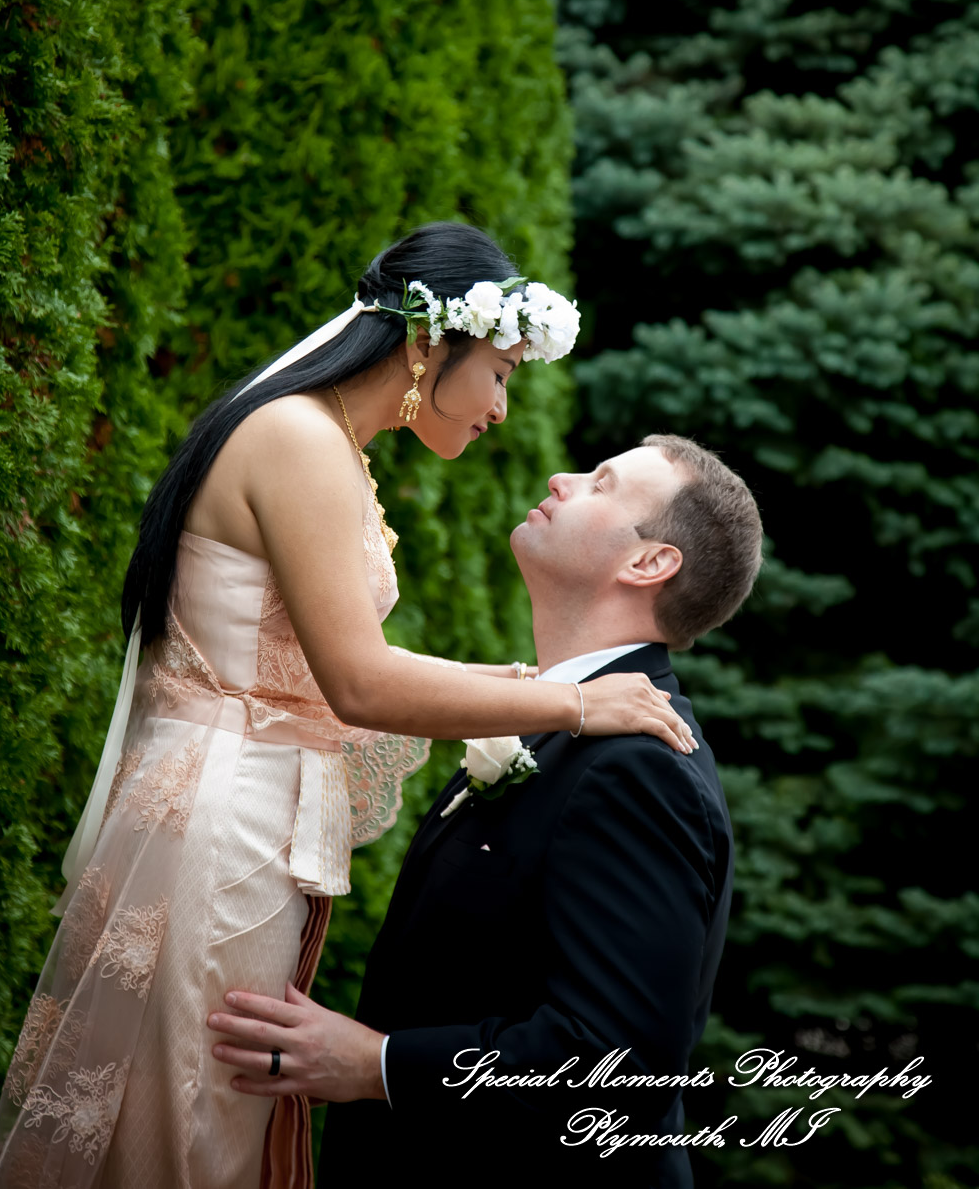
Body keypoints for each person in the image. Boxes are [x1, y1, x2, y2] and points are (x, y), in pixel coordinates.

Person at [0, 223, 694, 1189]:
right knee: (191, 1123)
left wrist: (522, 690)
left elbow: (333, 667)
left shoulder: (323, 443)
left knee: (208, 1112)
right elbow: (357, 681)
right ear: (429, 343)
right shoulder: (298, 438)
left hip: (243, 815)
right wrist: (570, 703)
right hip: (223, 824)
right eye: (498, 372)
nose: (500, 407)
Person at [206, 434, 764, 1187]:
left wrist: (374, 1064)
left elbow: (614, 1069)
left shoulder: (639, 768)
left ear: (648, 563)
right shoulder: (560, 723)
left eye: (601, 484)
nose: (560, 478)